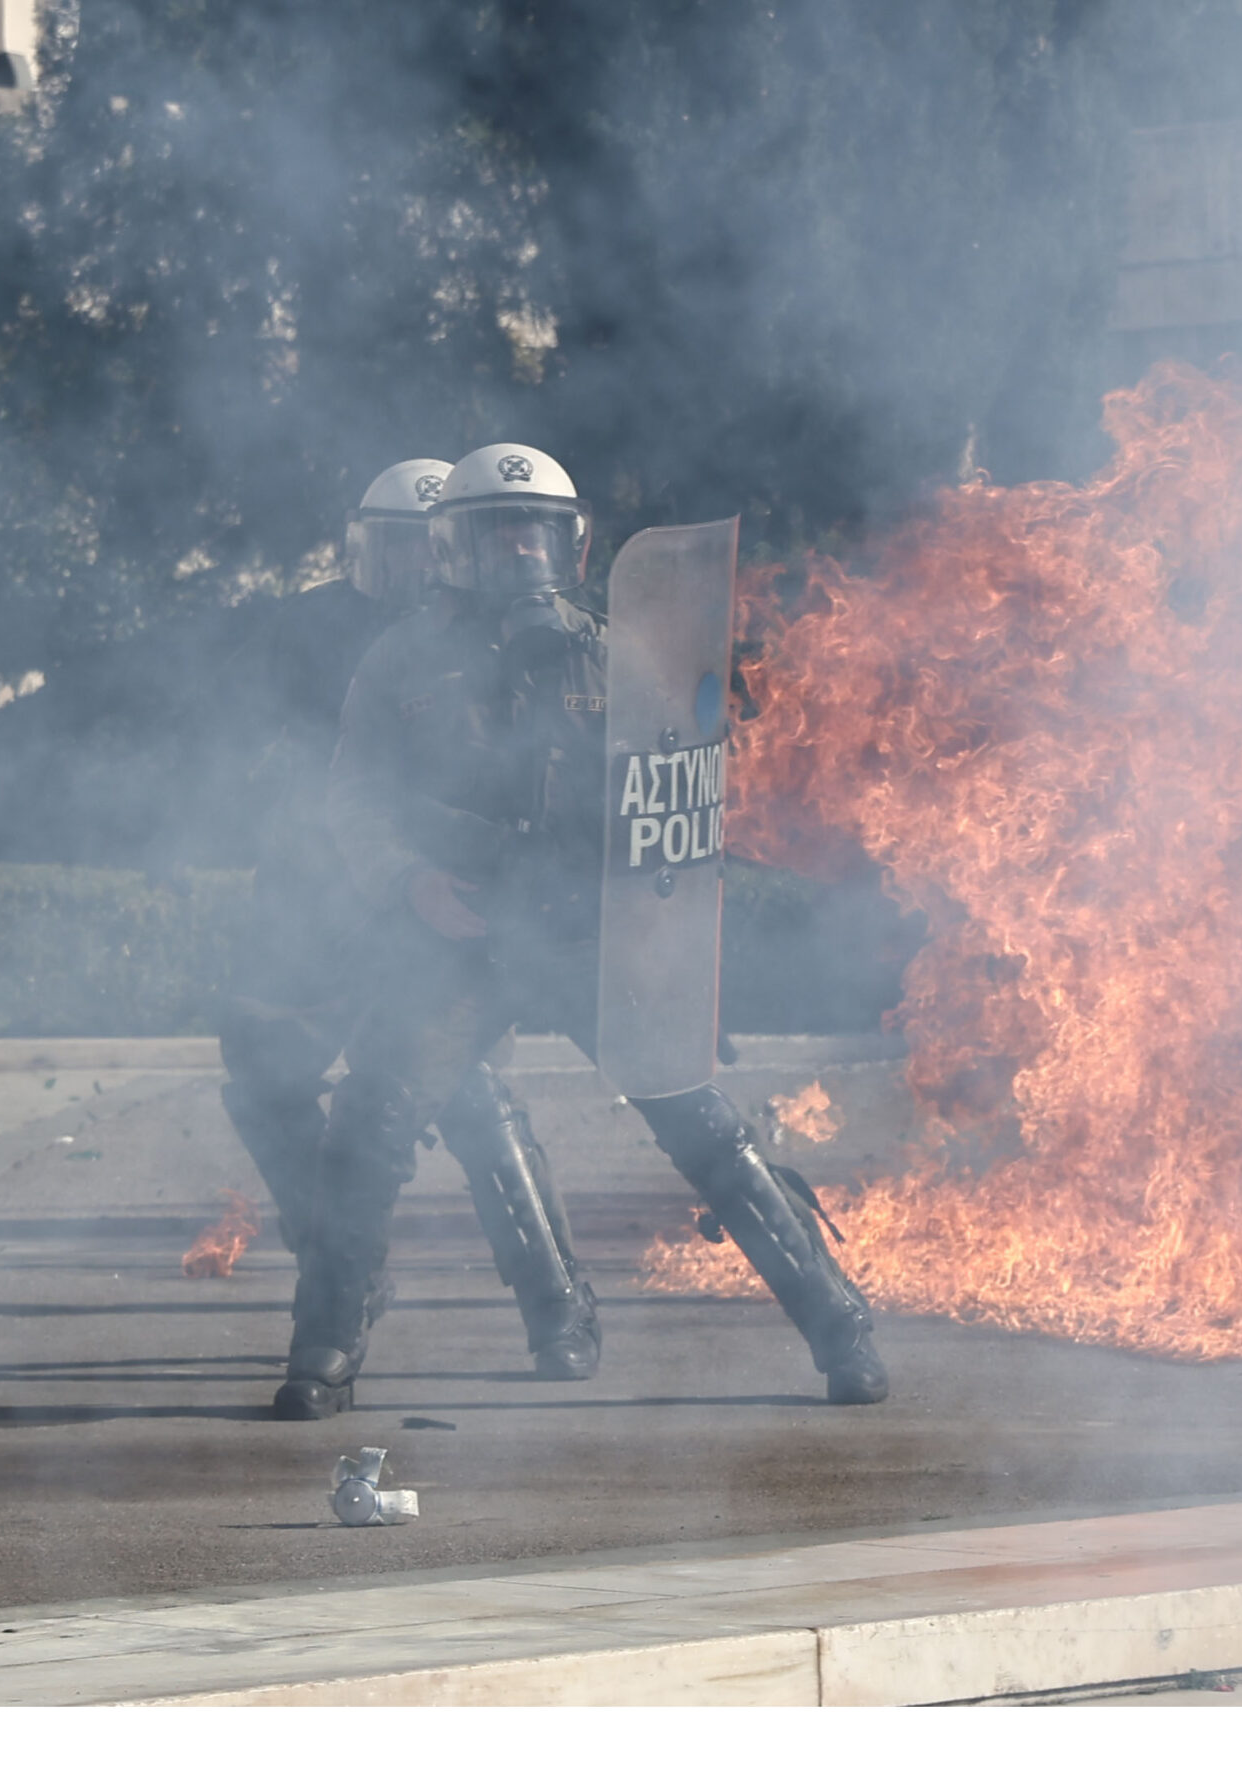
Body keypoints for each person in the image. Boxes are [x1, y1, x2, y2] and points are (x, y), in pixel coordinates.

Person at [272, 443, 889, 1420]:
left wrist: (663, 924)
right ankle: (325, 1348)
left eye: (535, 530)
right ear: (452, 546)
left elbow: (676, 799)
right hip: (457, 933)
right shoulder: (399, 662)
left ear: (571, 541)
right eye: (494, 531)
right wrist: (413, 884)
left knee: (706, 1130)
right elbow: (354, 798)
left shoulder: (613, 650)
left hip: (586, 937)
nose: (517, 548)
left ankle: (841, 1329)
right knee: (367, 1124)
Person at [218, 461, 601, 1399]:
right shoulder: (319, 630)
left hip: (439, 901)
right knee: (262, 1075)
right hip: (323, 896)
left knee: (463, 1088)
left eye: (414, 545)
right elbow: (283, 758)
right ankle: (344, 1265)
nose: (402, 565)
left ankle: (555, 1307)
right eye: (385, 545)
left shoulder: (492, 630)